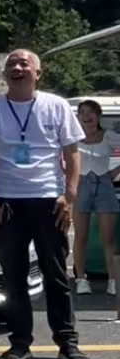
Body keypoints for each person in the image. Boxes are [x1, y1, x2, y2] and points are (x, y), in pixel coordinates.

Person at [0, 49, 90, 359]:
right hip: (7, 201)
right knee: (14, 277)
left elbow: (72, 152)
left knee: (56, 275)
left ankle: (67, 343)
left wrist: (70, 195)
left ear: (38, 73)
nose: (17, 67)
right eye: (11, 63)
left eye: (24, 63)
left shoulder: (56, 105)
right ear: (4, 74)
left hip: (49, 199)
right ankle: (20, 342)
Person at [71, 99, 120, 296]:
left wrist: (114, 173)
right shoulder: (73, 137)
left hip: (104, 185)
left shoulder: (108, 136)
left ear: (98, 116)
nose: (86, 117)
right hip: (81, 185)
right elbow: (61, 157)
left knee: (108, 237)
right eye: (82, 113)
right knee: (80, 236)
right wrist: (69, 178)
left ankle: (113, 280)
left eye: (90, 112)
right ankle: (81, 279)